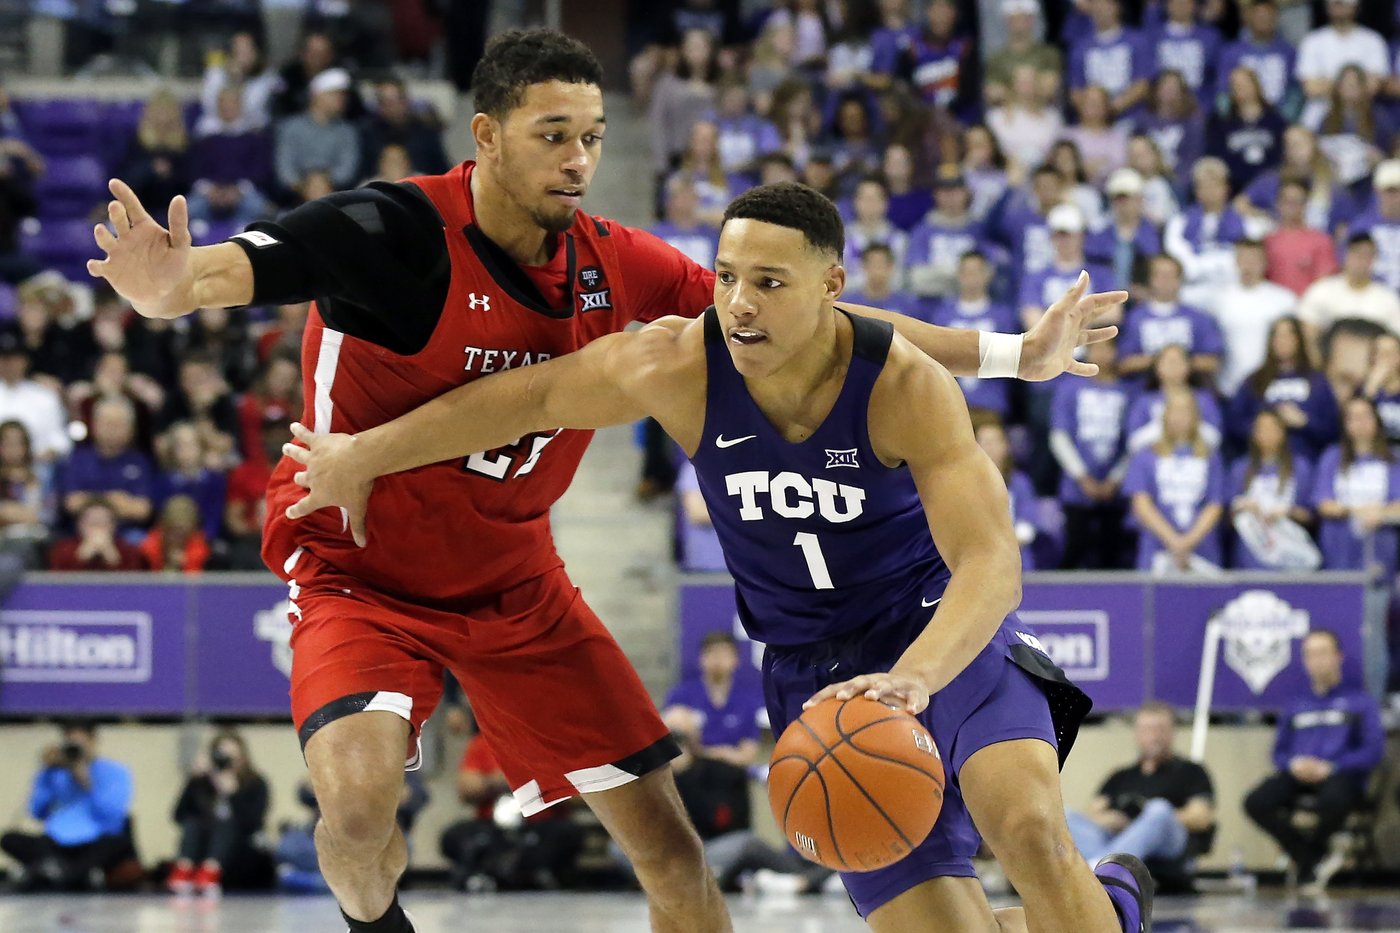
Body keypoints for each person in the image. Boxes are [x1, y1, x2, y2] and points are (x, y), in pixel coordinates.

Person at [89, 29, 1118, 933]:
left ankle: (1092, 904)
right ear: (485, 135)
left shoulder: (650, 278)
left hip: (545, 589)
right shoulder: (399, 233)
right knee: (357, 810)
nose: (579, 157)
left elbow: (842, 343)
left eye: (590, 136)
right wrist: (175, 289)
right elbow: (254, 282)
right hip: (366, 571)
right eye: (551, 134)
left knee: (708, 852)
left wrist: (1002, 355)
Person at [281, 182, 1149, 933]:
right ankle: (1111, 908)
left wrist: (915, 678)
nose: (738, 302)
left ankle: (1086, 894)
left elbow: (992, 566)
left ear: (831, 287)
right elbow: (532, 395)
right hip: (814, 669)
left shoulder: (902, 382)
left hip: (939, 638)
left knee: (1029, 827)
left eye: (769, 283)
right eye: (728, 277)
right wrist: (366, 453)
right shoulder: (680, 363)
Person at [1244, 629, 1383, 891]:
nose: (1317, 660)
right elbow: (1278, 752)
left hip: (1340, 775)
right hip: (1299, 774)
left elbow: (1373, 751)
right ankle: (1309, 856)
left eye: (1323, 653)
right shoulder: (1296, 704)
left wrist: (1333, 766)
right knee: (1256, 801)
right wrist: (1293, 764)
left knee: (1335, 799)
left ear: (1338, 657)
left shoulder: (1360, 703)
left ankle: (1307, 858)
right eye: (1310, 654)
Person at [1065, 703, 1215, 876]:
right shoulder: (1121, 776)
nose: (1153, 736)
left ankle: (1106, 868)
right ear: (1137, 734)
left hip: (1169, 840)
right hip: (1120, 834)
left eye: (1159, 729)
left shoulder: (1191, 771)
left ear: (1172, 733)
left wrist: (1145, 822)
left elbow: (1201, 817)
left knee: (1159, 809)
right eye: (1146, 730)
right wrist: (1113, 821)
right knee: (1067, 816)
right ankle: (1104, 865)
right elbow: (1092, 814)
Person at [0, 722, 135, 891]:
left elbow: (112, 815)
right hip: (57, 841)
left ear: (93, 742)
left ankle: (58, 874)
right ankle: (71, 874)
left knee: (119, 843)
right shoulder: (54, 772)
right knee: (9, 839)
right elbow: (37, 812)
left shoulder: (114, 771)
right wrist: (45, 772)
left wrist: (86, 780)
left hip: (95, 840)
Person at [1051, 337, 1133, 570]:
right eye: (1096, 348)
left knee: (1112, 554)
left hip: (1115, 488)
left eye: (1108, 348)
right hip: (1077, 488)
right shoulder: (1069, 388)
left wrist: (1116, 478)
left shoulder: (1127, 391)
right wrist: (1082, 476)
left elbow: (1132, 442)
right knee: (1075, 547)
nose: (1101, 354)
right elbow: (1059, 436)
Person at [1124, 388, 1227, 572]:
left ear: (1196, 416)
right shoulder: (1145, 456)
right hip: (1157, 552)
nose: (1179, 417)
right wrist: (1173, 541)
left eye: (1186, 411)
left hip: (1203, 552)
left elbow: (1215, 504)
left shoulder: (1211, 457)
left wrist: (1187, 542)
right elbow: (1141, 503)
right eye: (1174, 411)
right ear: (1165, 415)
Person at [167, 730, 272, 896]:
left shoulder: (255, 782)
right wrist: (193, 781)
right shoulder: (201, 782)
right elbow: (178, 816)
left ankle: (210, 871)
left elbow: (253, 823)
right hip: (201, 848)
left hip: (239, 850)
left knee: (226, 822)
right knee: (194, 823)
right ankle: (184, 870)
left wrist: (234, 794)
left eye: (232, 758)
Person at [1226, 316, 1339, 461]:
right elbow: (1233, 423)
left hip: (1305, 463)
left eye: (1288, 335)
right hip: (1261, 465)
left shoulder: (1317, 381)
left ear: (1298, 339)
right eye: (1277, 335)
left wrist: (1305, 422)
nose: (1282, 340)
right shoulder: (1255, 380)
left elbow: (1333, 428)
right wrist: (1264, 427)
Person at [1313, 396, 1400, 578]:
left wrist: (1381, 514)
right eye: (1353, 417)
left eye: (1365, 416)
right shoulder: (1332, 457)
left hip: (1379, 547)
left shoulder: (1393, 459)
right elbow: (1324, 504)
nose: (1360, 423)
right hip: (1339, 547)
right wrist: (1360, 510)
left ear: (1377, 420)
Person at [1229, 409, 1318, 570]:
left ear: (1283, 432)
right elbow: (1229, 514)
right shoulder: (1241, 468)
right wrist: (1244, 507)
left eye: (1273, 428)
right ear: (1254, 434)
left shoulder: (1300, 467)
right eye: (1262, 429)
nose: (1267, 434)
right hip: (1251, 558)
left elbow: (1310, 515)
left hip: (1290, 555)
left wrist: (1288, 512)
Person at [664, 631, 765, 768]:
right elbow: (672, 748)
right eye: (712, 653)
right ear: (701, 658)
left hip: (730, 773)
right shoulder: (681, 695)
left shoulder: (746, 701)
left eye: (724, 654)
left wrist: (717, 754)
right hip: (691, 772)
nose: (717, 660)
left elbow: (747, 754)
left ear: (735, 660)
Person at [1213, 239, 1297, 395]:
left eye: (1253, 260)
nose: (1248, 266)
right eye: (1243, 259)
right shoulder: (1219, 300)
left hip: (1273, 384)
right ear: (1236, 262)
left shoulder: (1284, 300)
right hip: (1229, 385)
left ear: (1265, 263)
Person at [275, 67, 362, 196]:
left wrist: (321, 182)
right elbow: (285, 169)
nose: (341, 99)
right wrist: (307, 186)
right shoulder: (291, 127)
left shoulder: (347, 131)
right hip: (294, 197)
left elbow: (346, 171)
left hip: (336, 196)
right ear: (317, 95)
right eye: (335, 94)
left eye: (343, 95)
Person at [1296, 233, 1400, 338]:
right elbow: (1307, 329)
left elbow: (1396, 336)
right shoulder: (1322, 290)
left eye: (1368, 256)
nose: (1362, 261)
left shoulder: (1387, 299)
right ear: (1345, 255)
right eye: (1357, 254)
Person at [1264, 179, 1339, 297]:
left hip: (1309, 307)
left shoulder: (1320, 240)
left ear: (1305, 205)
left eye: (1297, 202)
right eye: (1287, 201)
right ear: (1278, 204)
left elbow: (1325, 282)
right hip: (1275, 307)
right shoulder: (1267, 241)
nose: (1291, 206)